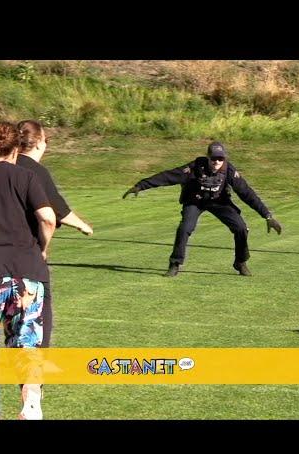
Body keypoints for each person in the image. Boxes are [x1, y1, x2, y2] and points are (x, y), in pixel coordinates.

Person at [0, 122, 56, 420]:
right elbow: (48, 218)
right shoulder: (26, 176)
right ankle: (31, 404)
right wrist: (42, 249)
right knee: (28, 344)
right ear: (15, 150)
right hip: (29, 273)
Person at [123, 141, 282, 277]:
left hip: (220, 202)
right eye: (213, 158)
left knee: (241, 228)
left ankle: (240, 262)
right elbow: (168, 176)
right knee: (185, 228)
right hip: (195, 202)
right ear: (208, 157)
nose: (216, 162)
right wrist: (141, 185)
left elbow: (247, 193)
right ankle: (175, 264)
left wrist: (267, 215)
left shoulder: (229, 171)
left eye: (220, 159)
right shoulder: (194, 167)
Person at [16, 120, 93, 348]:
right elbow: (53, 211)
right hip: (26, 252)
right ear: (39, 142)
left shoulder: (1, 165)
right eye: (46, 140)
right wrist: (81, 225)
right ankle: (36, 366)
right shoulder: (34, 170)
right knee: (40, 307)